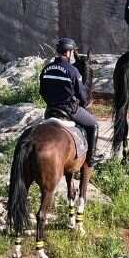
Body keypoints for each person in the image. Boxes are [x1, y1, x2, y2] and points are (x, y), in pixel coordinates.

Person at [38, 38, 99, 167]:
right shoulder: (72, 71)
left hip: (50, 110)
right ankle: (91, 158)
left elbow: (42, 92)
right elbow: (82, 96)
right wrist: (81, 102)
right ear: (69, 52)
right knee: (93, 125)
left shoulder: (46, 69)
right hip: (69, 110)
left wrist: (51, 102)